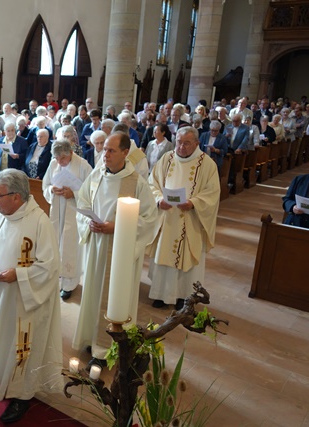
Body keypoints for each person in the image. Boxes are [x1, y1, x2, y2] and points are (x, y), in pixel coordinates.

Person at [0, 169, 62, 425]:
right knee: (1, 338)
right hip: (3, 294)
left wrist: (19, 276)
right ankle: (3, 381)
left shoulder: (39, 222)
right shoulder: (3, 216)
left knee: (23, 346)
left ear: (17, 196)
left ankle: (22, 395)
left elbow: (50, 266)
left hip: (27, 299)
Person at [72, 132, 158, 366]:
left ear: (124, 153)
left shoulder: (136, 182)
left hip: (118, 249)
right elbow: (83, 201)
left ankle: (105, 348)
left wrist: (117, 227)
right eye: (103, 149)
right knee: (93, 292)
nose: (104, 154)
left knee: (113, 295)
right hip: (97, 246)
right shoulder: (96, 174)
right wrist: (88, 222)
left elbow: (150, 218)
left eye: (110, 150)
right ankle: (92, 337)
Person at [147, 127, 220, 309]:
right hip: (168, 217)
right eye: (179, 142)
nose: (181, 147)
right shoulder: (167, 159)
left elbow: (212, 193)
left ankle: (183, 297)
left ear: (196, 143)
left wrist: (194, 202)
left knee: (188, 260)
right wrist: (158, 200)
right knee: (164, 256)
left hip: (191, 219)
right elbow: (151, 183)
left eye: (186, 143)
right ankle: (161, 294)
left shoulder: (207, 164)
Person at [42, 140, 93, 300]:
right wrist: (52, 189)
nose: (59, 162)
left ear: (70, 152)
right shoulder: (53, 164)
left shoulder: (83, 165)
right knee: (56, 242)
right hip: (57, 209)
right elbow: (46, 185)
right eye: (57, 159)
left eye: (62, 159)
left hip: (74, 211)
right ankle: (57, 278)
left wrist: (75, 194)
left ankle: (70, 284)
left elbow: (91, 190)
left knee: (70, 246)